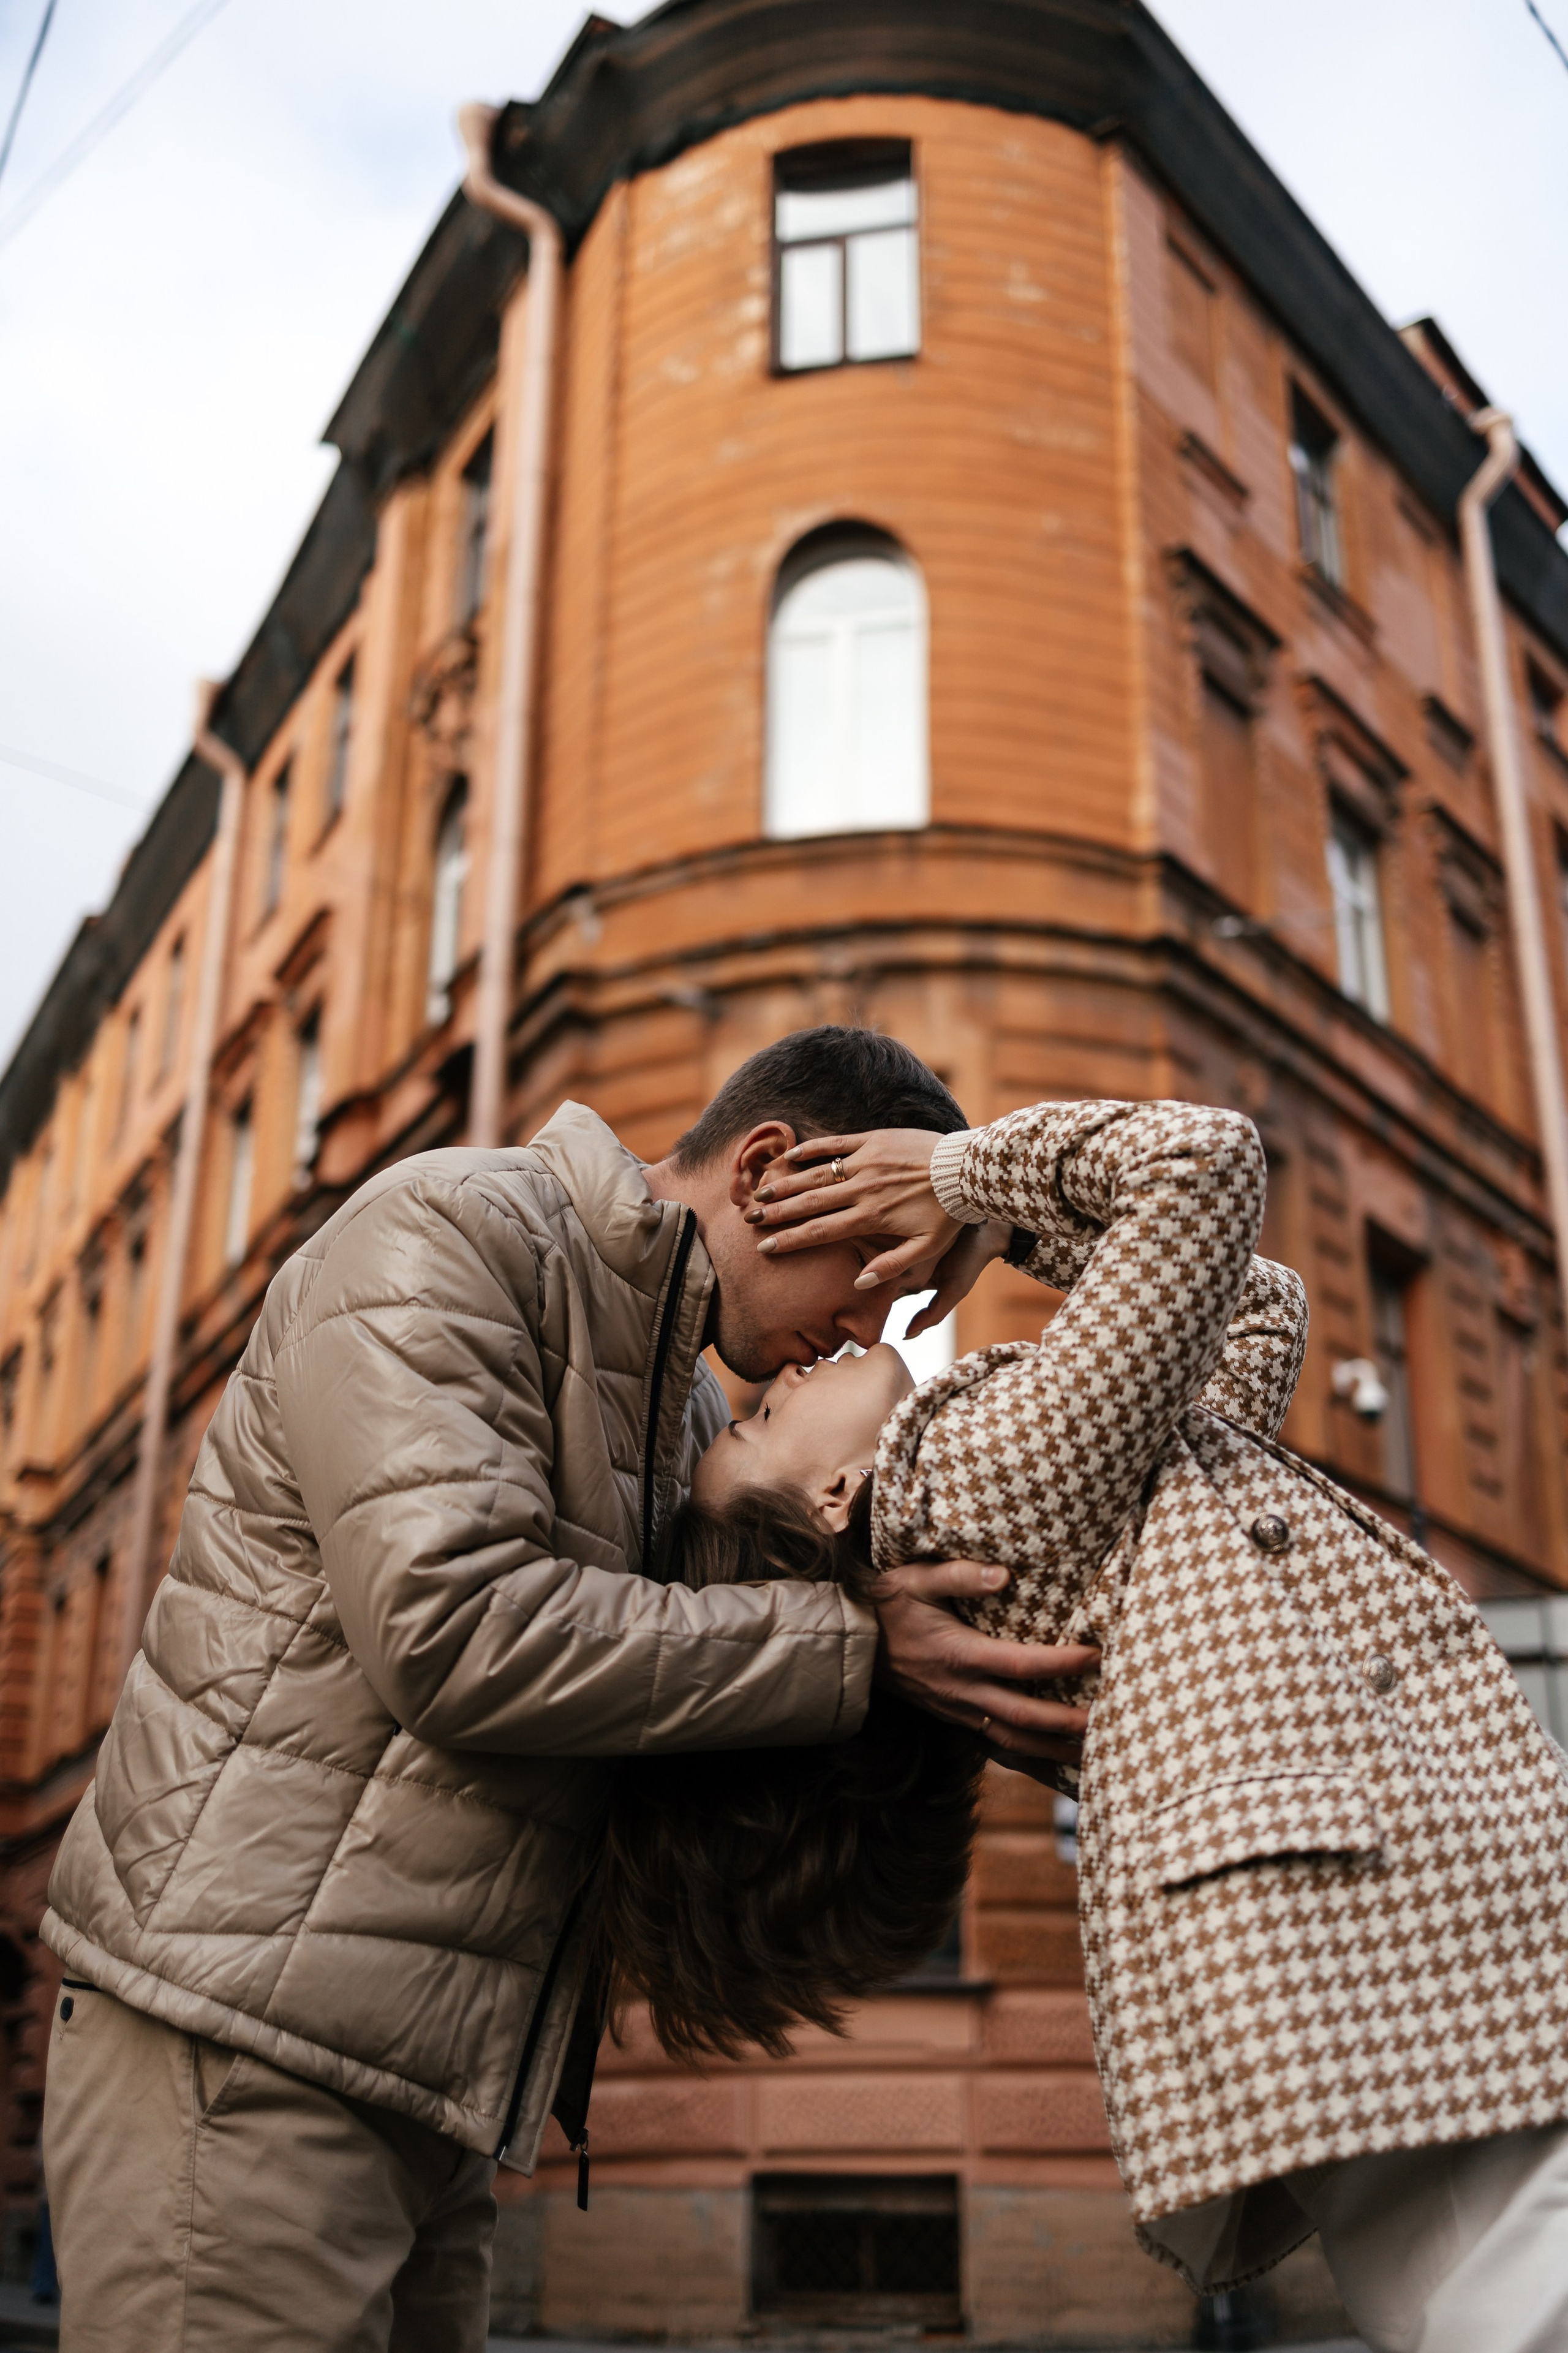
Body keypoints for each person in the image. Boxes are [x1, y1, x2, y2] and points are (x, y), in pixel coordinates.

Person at [37, 1028, 1093, 2353]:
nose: (866, 1327)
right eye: (872, 1268)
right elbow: (455, 1629)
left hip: (443, 2083)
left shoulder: (697, 1423)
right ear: (767, 1169)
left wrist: (988, 1202)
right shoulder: (454, 1232)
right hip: (242, 2038)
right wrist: (854, 1648)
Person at [673, 1095, 1568, 2353]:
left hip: (1345, 1910)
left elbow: (1253, 1307)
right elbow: (1205, 1163)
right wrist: (961, 1178)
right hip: (1357, 1906)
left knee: (1476, 2279)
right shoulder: (976, 1478)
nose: (778, 1382)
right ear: (830, 1502)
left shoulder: (1057, 1470)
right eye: (762, 1424)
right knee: (1515, 2273)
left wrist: (1007, 1228)